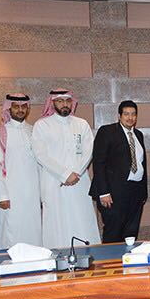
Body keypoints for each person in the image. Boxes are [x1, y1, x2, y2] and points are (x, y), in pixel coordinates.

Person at [31, 89, 100, 248]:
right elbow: (40, 154)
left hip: (79, 182)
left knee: (82, 218)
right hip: (54, 183)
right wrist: (64, 174)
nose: (64, 104)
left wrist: (76, 173)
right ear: (53, 103)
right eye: (60, 101)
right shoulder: (42, 125)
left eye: (68, 101)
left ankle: (87, 253)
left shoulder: (81, 124)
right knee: (57, 223)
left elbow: (88, 150)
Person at [89, 101, 148, 243]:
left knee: (131, 233)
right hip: (112, 193)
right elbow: (99, 163)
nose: (130, 118)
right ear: (119, 116)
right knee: (114, 232)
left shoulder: (138, 135)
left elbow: (141, 163)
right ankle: (110, 257)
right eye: (126, 114)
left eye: (133, 114)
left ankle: (128, 257)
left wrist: (143, 193)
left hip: (135, 192)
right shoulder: (107, 132)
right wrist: (103, 192)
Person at [0, 93, 42, 249]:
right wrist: (1, 195)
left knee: (33, 231)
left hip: (32, 194)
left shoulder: (34, 131)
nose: (20, 110)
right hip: (10, 194)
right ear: (9, 108)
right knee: (10, 233)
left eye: (23, 107)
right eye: (16, 107)